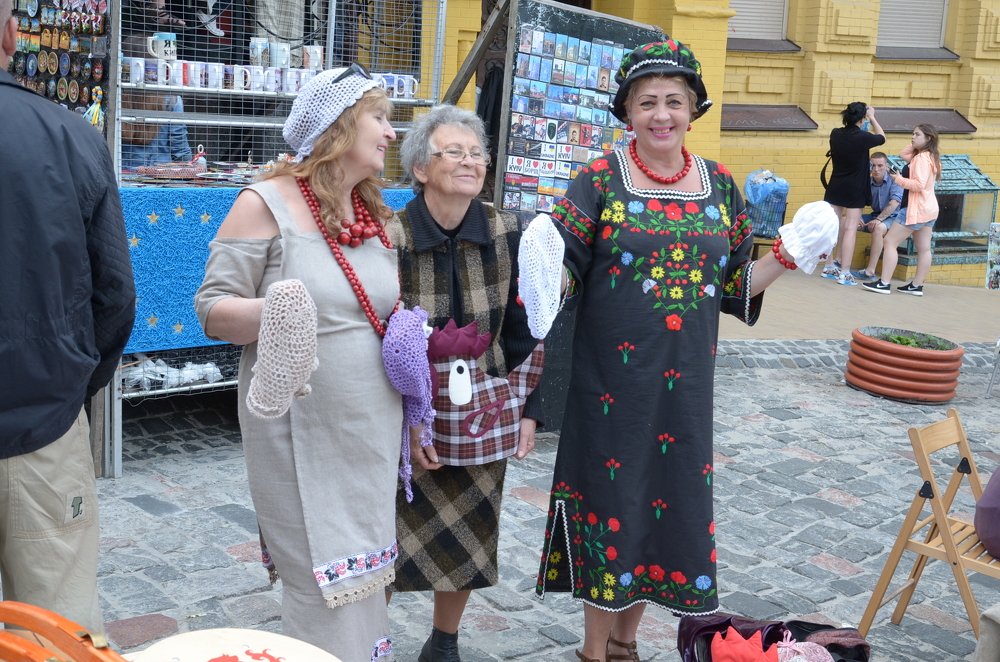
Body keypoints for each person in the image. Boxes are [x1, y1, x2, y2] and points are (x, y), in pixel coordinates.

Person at [530, 39, 836, 662]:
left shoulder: (720, 186)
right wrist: (542, 277)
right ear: (627, 112)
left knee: (663, 508)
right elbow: (564, 276)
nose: (661, 114)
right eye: (648, 102)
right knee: (612, 507)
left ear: (693, 108)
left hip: (686, 387)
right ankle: (595, 652)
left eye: (674, 100)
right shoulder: (597, 180)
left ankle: (625, 644)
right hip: (609, 387)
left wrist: (788, 256)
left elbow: (732, 289)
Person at [195, 65, 402, 660]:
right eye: (380, 118)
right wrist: (277, 309)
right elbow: (212, 309)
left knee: (363, 584)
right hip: (298, 432)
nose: (391, 133)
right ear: (339, 125)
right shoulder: (266, 203)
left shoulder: (373, 214)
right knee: (319, 584)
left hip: (369, 432)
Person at [388, 104, 543, 661]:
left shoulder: (507, 230)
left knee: (470, 529)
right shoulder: (391, 234)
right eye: (453, 151)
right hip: (401, 407)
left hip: (483, 410)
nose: (469, 161)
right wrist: (406, 421)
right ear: (420, 170)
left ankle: (444, 641)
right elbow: (374, 332)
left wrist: (532, 409)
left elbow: (529, 327)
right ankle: (366, 635)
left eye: (477, 153)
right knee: (385, 526)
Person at [0, 0, 135, 635]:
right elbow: (115, 295)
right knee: (58, 630)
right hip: (45, 424)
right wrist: (74, 386)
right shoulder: (70, 134)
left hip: (46, 413)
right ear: (10, 34)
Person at [862, 124, 942, 296]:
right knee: (924, 249)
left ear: (928, 138)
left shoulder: (921, 159)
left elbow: (918, 185)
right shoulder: (929, 156)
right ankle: (917, 286)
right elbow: (903, 154)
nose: (912, 137)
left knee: (890, 242)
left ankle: (884, 283)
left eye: (917, 134)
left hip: (916, 209)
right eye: (912, 134)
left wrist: (898, 179)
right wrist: (918, 143)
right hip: (929, 210)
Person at [821, 101, 885, 285]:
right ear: (862, 118)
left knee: (832, 226)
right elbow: (882, 137)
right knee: (850, 229)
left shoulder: (835, 133)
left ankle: (829, 265)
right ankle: (845, 272)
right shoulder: (863, 137)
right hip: (855, 188)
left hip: (836, 185)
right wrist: (872, 117)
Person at [850, 151, 903, 280]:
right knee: (848, 222)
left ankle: (870, 271)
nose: (876, 169)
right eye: (872, 165)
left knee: (878, 228)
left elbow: (894, 204)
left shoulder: (894, 180)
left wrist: (879, 220)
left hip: (895, 217)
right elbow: (858, 200)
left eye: (880, 165)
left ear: (886, 166)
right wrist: (858, 216)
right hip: (875, 215)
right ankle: (839, 263)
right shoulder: (867, 181)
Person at [120, 93, 194, 170]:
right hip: (161, 175)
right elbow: (180, 150)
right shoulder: (172, 99)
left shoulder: (119, 95)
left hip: (124, 174)